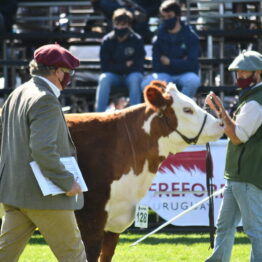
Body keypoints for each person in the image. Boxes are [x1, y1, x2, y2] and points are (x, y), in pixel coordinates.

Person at [0, 44, 87, 262]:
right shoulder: (45, 99)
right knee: (74, 256)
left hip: (15, 193)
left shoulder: (17, 93)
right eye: (69, 72)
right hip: (45, 196)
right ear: (58, 71)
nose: (69, 77)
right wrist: (67, 181)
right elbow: (42, 149)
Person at [205, 50, 262, 262]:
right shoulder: (253, 98)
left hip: (247, 175)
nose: (239, 76)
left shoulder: (256, 102)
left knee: (255, 230)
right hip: (239, 176)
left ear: (258, 73)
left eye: (243, 71)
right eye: (237, 71)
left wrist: (220, 112)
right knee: (225, 226)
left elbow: (238, 137)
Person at [141, 0, 201, 98]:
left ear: (178, 16)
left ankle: (181, 110)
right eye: (163, 17)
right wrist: (181, 61)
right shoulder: (158, 38)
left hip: (185, 74)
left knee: (193, 81)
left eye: (169, 16)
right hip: (164, 75)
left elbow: (192, 64)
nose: (166, 19)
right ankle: (162, 110)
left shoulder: (191, 36)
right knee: (146, 83)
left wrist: (170, 62)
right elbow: (157, 65)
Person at [95, 8, 145, 112]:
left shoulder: (137, 40)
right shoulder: (107, 41)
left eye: (123, 25)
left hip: (131, 76)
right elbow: (105, 67)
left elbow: (138, 66)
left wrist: (117, 67)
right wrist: (125, 66)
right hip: (115, 77)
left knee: (135, 78)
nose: (119, 27)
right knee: (104, 78)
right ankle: (99, 114)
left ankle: (135, 115)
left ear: (129, 25)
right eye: (117, 24)